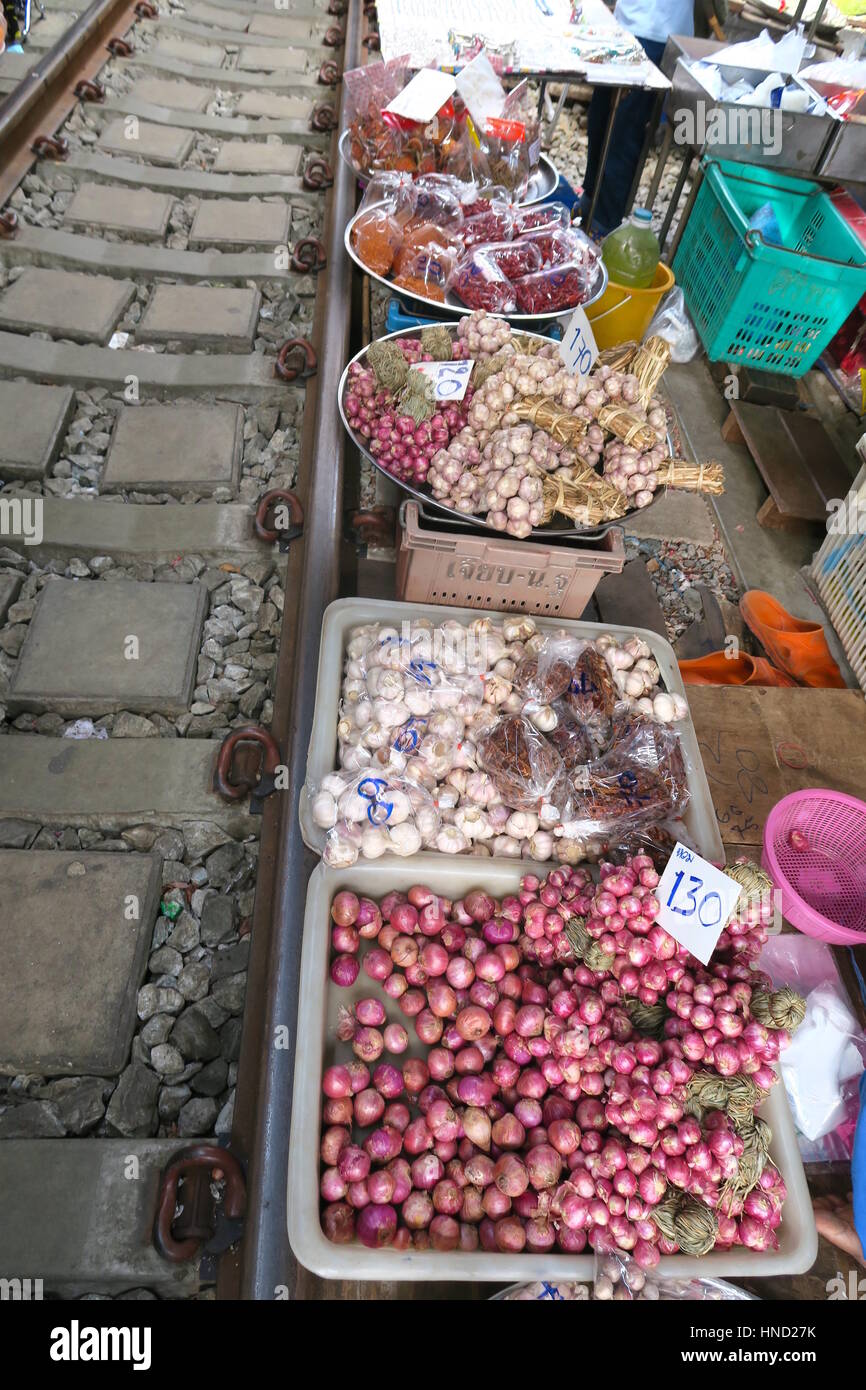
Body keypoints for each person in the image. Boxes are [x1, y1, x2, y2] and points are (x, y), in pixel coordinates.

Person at [578, 0, 694, 238]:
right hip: (621, 25)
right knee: (600, 118)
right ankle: (589, 199)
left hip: (658, 31)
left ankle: (603, 225)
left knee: (623, 131)